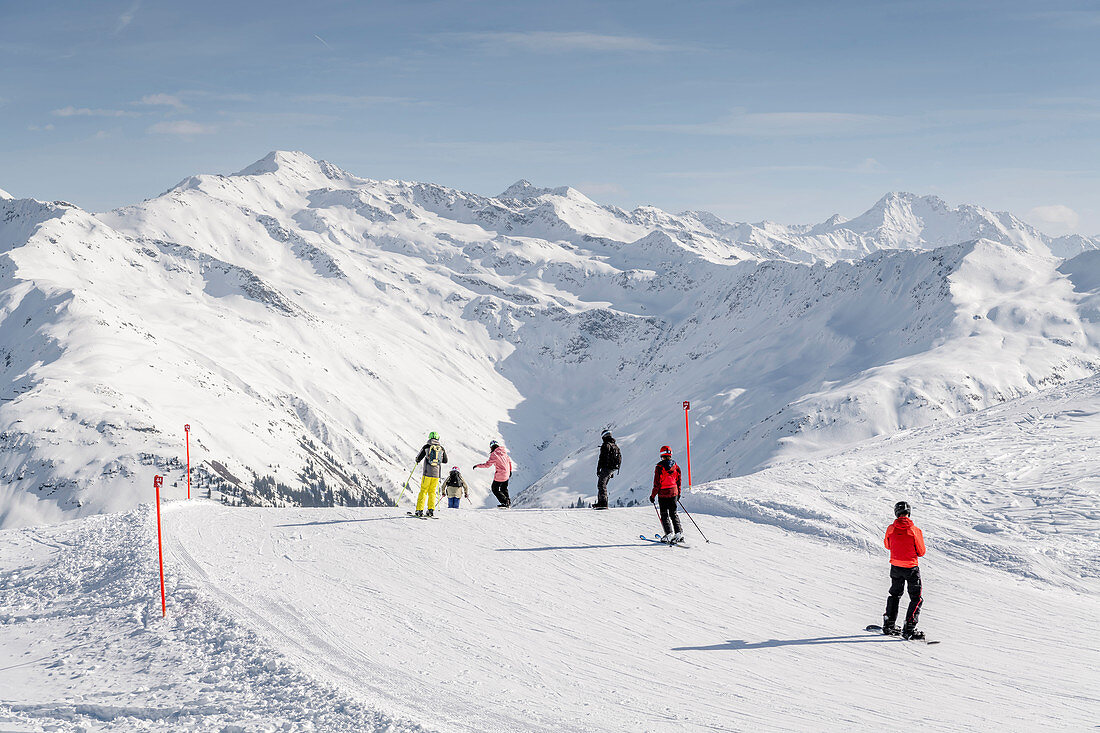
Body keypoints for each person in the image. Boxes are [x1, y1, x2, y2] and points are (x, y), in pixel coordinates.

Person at [882, 501, 926, 640]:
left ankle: (889, 623)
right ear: (909, 513)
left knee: (894, 594)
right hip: (911, 567)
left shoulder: (890, 528)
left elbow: (887, 545)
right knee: (916, 598)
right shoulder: (915, 530)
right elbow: (921, 551)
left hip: (895, 566)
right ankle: (909, 628)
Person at [649, 446, 683, 544]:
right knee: (673, 513)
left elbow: (657, 484)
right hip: (674, 492)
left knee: (664, 514)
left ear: (661, 455)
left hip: (663, 494)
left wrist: (652, 496)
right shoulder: (676, 466)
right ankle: (678, 533)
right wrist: (678, 493)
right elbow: (679, 481)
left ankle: (668, 534)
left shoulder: (659, 467)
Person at [413, 431, 447, 517]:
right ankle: (430, 510)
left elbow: (418, 458)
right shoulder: (441, 448)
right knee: (432, 492)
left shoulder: (426, 447)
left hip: (427, 473)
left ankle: (419, 510)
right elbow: (445, 461)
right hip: (436, 475)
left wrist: (418, 460)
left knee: (423, 491)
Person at [474, 440, 514, 507]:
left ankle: (504, 502)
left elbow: (487, 465)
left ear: (491, 447)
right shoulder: (504, 453)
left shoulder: (494, 454)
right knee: (504, 488)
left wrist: (478, 465)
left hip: (500, 474)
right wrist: (510, 471)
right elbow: (509, 462)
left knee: (494, 488)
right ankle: (508, 502)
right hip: (507, 474)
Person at [593, 429, 621, 510]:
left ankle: (603, 503)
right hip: (612, 468)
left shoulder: (606, 445)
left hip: (606, 468)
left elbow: (602, 458)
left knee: (601, 485)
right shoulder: (615, 445)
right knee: (603, 485)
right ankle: (601, 502)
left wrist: (598, 469)